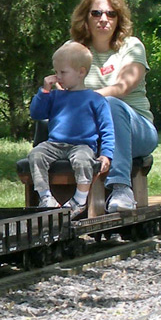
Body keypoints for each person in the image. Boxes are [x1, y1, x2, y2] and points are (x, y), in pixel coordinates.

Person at [53, 0, 158, 212]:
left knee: (110, 104)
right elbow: (61, 93)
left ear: (118, 19)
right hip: (89, 132)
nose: (104, 19)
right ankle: (50, 200)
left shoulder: (132, 46)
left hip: (136, 129)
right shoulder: (72, 51)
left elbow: (122, 87)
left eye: (111, 14)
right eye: (96, 13)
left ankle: (121, 188)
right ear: (85, 18)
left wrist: (84, 99)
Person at [28, 41, 115, 210]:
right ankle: (46, 197)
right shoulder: (54, 96)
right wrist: (44, 91)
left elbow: (107, 130)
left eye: (63, 72)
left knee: (82, 160)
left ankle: (80, 199)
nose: (57, 76)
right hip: (55, 144)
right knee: (36, 155)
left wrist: (106, 155)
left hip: (82, 145)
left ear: (81, 72)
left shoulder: (96, 99)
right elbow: (37, 114)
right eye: (56, 72)